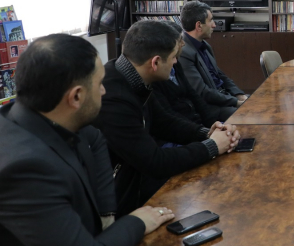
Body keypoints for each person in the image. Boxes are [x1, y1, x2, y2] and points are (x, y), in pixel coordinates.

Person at [0, 34, 174, 246]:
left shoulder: (30, 113)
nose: (104, 90)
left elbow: (95, 138)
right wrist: (136, 221)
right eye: (99, 83)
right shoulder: (24, 170)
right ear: (76, 97)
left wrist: (106, 215)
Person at [93, 20, 240, 215]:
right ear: (155, 62)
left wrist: (207, 133)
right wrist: (213, 146)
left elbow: (165, 122)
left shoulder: (128, 74)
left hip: (136, 183)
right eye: (173, 57)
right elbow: (155, 162)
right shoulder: (114, 99)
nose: (176, 62)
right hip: (122, 202)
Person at [151, 21, 235, 129]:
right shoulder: (157, 77)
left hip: (197, 125)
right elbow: (169, 120)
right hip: (185, 131)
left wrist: (213, 125)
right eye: (180, 40)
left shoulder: (175, 64)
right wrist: (207, 135)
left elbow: (193, 95)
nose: (183, 43)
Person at [180, 0, 248, 108]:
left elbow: (220, 75)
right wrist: (236, 102)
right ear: (199, 26)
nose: (214, 25)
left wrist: (240, 95)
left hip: (224, 98)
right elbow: (202, 92)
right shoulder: (183, 53)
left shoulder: (204, 45)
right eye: (211, 20)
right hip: (212, 107)